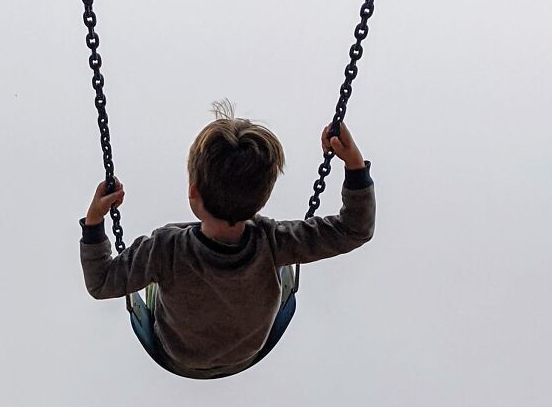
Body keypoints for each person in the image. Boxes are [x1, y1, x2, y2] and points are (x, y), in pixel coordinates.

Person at [79, 100, 376, 377]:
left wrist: (94, 220)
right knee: (281, 261)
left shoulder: (164, 249)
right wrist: (353, 163)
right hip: (247, 349)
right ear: (263, 200)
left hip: (180, 354)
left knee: (159, 262)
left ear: (193, 191)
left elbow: (101, 281)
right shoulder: (275, 241)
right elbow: (355, 228)